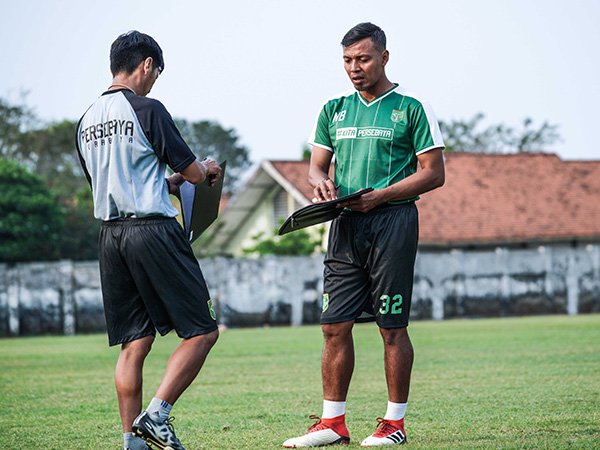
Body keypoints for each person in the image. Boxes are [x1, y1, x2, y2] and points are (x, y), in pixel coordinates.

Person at [282, 23, 445, 447]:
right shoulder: (333, 110)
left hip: (393, 222)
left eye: (364, 59)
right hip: (344, 224)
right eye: (348, 61)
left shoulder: (410, 108)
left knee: (391, 326)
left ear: (385, 58)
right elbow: (317, 165)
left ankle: (394, 425)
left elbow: (434, 174)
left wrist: (381, 196)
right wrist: (320, 182)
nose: (355, 68)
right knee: (334, 325)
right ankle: (332, 424)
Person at [75, 31, 222, 450]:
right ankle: (156, 416)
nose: (154, 80)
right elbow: (194, 173)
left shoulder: (85, 121)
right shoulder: (148, 109)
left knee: (134, 342)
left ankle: (131, 442)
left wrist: (167, 181)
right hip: (153, 231)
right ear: (146, 65)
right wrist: (205, 169)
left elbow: (119, 180)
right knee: (202, 332)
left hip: (110, 236)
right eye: (156, 72)